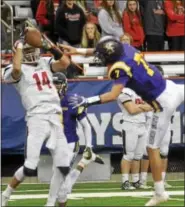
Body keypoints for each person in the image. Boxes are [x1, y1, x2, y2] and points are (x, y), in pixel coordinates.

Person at [61, 36, 184, 206]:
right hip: (171, 87)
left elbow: (112, 95)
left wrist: (87, 101)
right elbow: (100, 51)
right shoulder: (126, 48)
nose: (100, 57)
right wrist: (78, 52)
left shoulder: (119, 68)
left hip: (163, 103)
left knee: (152, 147)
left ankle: (159, 192)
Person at [1, 29, 73, 206]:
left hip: (55, 116)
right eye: (28, 49)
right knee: (30, 166)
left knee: (64, 166)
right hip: (37, 118)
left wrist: (48, 44)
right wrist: (18, 46)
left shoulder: (44, 62)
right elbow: (17, 69)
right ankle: (6, 194)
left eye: (34, 49)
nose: (33, 52)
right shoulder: (14, 69)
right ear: (20, 52)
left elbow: (65, 62)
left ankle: (53, 203)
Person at [45, 72, 104, 207]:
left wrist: (89, 146)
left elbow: (86, 125)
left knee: (60, 178)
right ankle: (83, 163)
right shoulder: (46, 101)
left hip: (70, 143)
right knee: (61, 182)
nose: (55, 86)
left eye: (58, 83)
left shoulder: (71, 101)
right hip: (55, 143)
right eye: (53, 83)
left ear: (64, 85)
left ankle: (50, 203)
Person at [117, 87, 153, 190]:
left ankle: (136, 181)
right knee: (128, 155)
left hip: (142, 124)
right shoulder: (125, 92)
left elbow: (151, 106)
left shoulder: (141, 90)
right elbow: (131, 110)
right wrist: (144, 106)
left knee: (138, 156)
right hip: (130, 125)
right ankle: (125, 181)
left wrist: (140, 106)